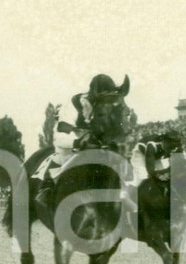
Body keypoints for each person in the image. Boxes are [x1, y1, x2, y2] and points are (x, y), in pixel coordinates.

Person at [34, 74, 130, 207]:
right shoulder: (74, 104)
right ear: (93, 94)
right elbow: (61, 136)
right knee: (64, 158)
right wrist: (79, 142)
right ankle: (48, 188)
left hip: (98, 145)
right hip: (71, 143)